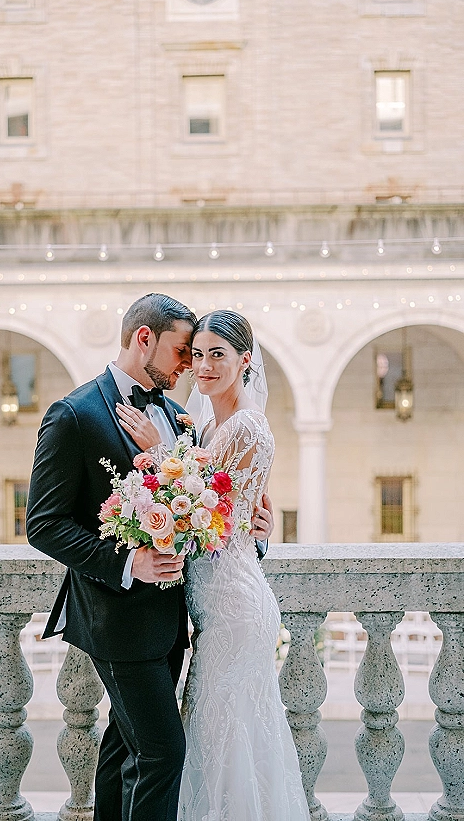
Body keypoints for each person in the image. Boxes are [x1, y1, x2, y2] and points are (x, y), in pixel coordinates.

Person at [26, 294, 274, 821]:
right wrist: (127, 564)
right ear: (145, 339)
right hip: (115, 619)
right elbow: (43, 525)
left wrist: (256, 529)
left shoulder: (179, 416)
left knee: (123, 751)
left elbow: (215, 505)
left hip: (175, 621)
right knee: (164, 753)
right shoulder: (73, 415)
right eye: (183, 352)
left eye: (203, 355)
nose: (191, 366)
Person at [118, 309, 309, 821]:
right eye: (196, 354)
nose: (202, 366)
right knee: (217, 733)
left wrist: (159, 454)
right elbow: (238, 511)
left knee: (224, 735)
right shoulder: (208, 422)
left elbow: (204, 511)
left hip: (232, 606)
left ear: (245, 361)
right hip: (216, 602)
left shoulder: (245, 427)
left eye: (216, 355)